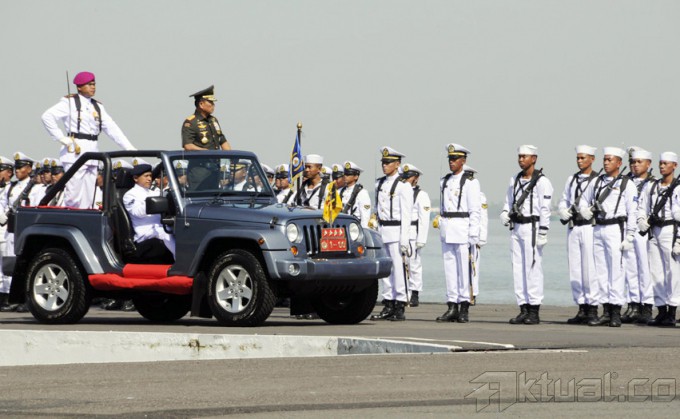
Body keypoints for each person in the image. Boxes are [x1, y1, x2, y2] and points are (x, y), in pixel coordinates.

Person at [42, 71, 136, 209]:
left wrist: (129, 148)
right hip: (75, 151)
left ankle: (85, 217)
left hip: (92, 150)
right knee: (74, 194)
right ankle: (72, 217)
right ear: (79, 87)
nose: (93, 87)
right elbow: (47, 116)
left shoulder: (97, 106)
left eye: (94, 84)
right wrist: (61, 138)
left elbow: (112, 128)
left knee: (89, 194)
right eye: (89, 84)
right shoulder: (70, 103)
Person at [578, 147, 637, 328]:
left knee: (617, 271)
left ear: (619, 163)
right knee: (601, 271)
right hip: (598, 228)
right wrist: (585, 210)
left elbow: (632, 212)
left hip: (616, 229)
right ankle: (605, 310)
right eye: (604, 159)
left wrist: (630, 235)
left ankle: (616, 312)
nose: (606, 163)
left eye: (610, 160)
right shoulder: (596, 182)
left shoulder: (627, 184)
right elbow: (583, 199)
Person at [501, 145, 553, 325]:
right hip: (517, 227)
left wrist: (543, 231)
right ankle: (523, 307)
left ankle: (534, 309)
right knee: (518, 268)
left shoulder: (542, 181)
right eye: (519, 156)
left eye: (525, 156)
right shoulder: (514, 179)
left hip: (532, 227)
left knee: (533, 268)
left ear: (534, 159)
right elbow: (509, 201)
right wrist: (505, 212)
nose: (521, 159)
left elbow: (545, 209)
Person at [432, 145, 480, 323]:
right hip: (447, 229)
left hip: (462, 228)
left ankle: (464, 305)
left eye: (455, 159)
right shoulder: (444, 181)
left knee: (464, 270)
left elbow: (475, 210)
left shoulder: (470, 182)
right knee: (450, 269)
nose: (451, 162)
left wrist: (473, 233)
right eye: (450, 159)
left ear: (463, 161)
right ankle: (452, 305)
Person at [557, 145, 600, 324]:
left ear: (592, 159)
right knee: (575, 268)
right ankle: (581, 306)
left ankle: (593, 307)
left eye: (583, 158)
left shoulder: (597, 180)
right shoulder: (572, 179)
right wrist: (562, 210)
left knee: (590, 268)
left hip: (590, 227)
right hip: (574, 226)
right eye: (578, 158)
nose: (580, 161)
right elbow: (564, 199)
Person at [369, 146, 413, 321]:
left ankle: (400, 304)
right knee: (385, 269)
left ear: (397, 164)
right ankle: (388, 303)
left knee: (398, 269)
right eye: (383, 162)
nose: (384, 165)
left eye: (388, 162)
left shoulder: (404, 186)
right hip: (382, 230)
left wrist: (405, 238)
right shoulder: (379, 184)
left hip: (396, 230)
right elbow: (377, 207)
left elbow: (407, 214)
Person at [637, 151, 680, 327]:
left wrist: (679, 239)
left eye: (666, 163)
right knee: (655, 271)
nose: (662, 166)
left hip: (670, 230)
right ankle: (661, 309)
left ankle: (672, 311)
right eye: (661, 163)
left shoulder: (678, 188)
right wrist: (641, 219)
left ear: (674, 166)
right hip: (654, 230)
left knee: (672, 272)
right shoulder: (651, 186)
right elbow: (642, 206)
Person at [621, 147, 655, 323]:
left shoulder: (653, 184)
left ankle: (647, 306)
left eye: (639, 162)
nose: (635, 165)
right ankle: (633, 304)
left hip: (644, 230)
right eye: (632, 162)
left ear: (648, 164)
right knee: (630, 268)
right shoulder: (625, 182)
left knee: (645, 268)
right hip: (628, 229)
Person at [0, 153, 35, 312]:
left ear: (29, 169)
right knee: (8, 265)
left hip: (25, 229)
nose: (17, 171)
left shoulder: (34, 187)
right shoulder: (11, 187)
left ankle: (24, 298)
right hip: (10, 230)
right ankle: (9, 297)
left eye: (21, 167)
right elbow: (5, 205)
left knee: (23, 264)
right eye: (16, 168)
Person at [123, 163, 175, 264]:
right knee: (166, 234)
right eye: (146, 176)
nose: (150, 179)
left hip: (159, 228)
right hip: (145, 233)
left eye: (150, 176)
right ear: (136, 178)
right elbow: (137, 212)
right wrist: (151, 204)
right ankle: (182, 265)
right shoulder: (130, 195)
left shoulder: (153, 192)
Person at [400, 163, 431, 308]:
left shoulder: (421, 195)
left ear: (416, 178)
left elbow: (424, 218)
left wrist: (421, 239)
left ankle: (415, 293)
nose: (406, 179)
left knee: (414, 264)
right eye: (404, 177)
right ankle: (402, 292)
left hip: (413, 232)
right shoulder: (399, 191)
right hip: (399, 231)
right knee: (400, 264)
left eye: (409, 177)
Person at [182, 85, 231, 151]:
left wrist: (231, 156)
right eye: (210, 102)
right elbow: (188, 146)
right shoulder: (190, 122)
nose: (213, 105)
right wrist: (205, 152)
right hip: (201, 157)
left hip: (216, 157)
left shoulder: (213, 120)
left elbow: (222, 140)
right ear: (201, 104)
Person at [339, 161, 371, 228]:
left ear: (356, 177)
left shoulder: (362, 193)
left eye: (348, 174)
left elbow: (365, 217)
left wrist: (363, 231)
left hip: (354, 228)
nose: (345, 176)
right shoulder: (340, 191)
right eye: (344, 174)